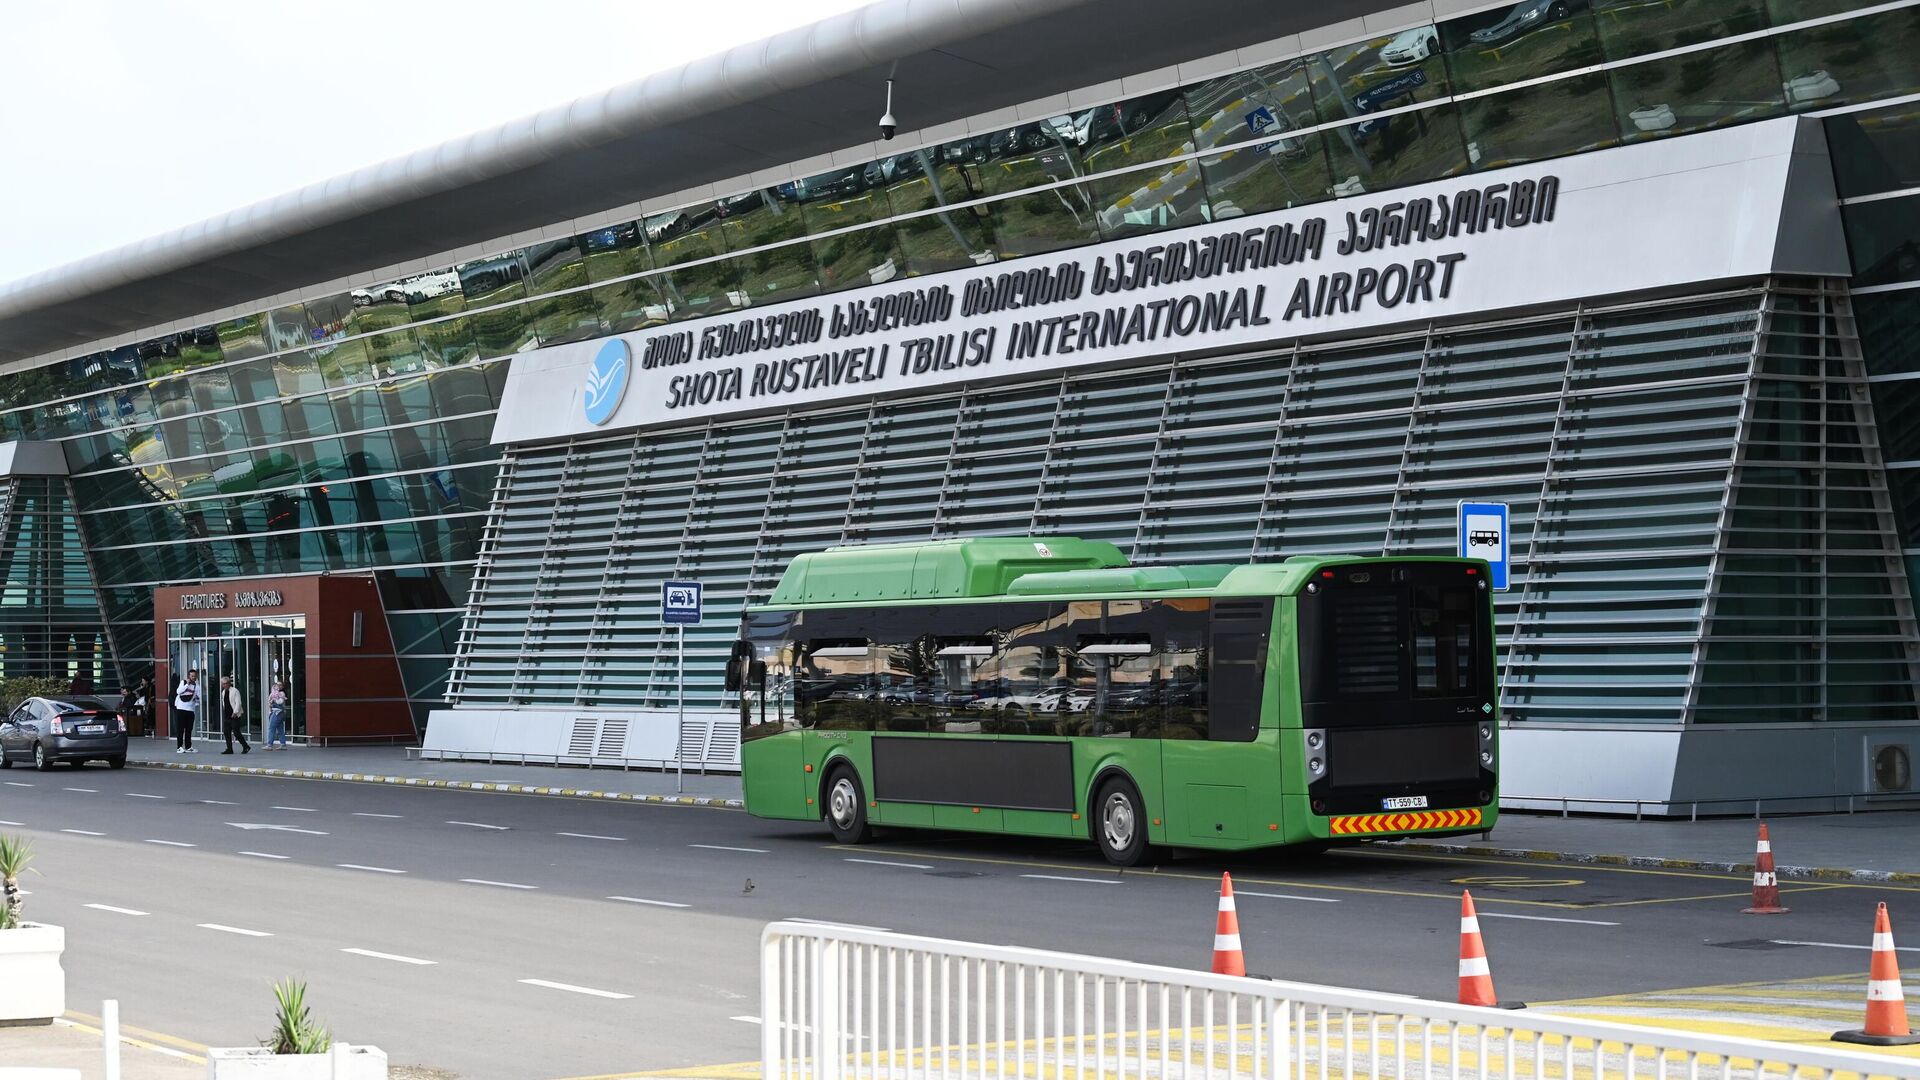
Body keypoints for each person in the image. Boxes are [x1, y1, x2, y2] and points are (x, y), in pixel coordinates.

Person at [218, 674, 250, 755]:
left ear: (229, 683)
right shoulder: (223, 692)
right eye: (223, 684)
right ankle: (229, 749)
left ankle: (245, 746)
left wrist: (235, 712)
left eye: (226, 683)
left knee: (236, 732)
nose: (224, 685)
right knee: (226, 732)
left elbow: (238, 703)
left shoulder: (235, 691)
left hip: (234, 715)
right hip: (227, 715)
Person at [172, 669, 201, 753]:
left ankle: (188, 746)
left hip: (190, 710)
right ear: (189, 676)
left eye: (195, 676)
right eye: (192, 676)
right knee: (180, 729)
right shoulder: (183, 682)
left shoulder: (197, 686)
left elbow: (198, 698)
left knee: (189, 729)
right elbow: (178, 691)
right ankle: (179, 747)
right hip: (181, 709)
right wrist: (187, 685)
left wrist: (196, 700)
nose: (193, 677)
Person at [264, 680, 290, 750]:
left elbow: (280, 702)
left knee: (271, 728)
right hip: (277, 712)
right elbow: (269, 700)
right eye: (277, 684)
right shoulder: (274, 693)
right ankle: (283, 744)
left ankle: (270, 745)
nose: (278, 686)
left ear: (282, 686)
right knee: (280, 728)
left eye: (280, 685)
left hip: (277, 712)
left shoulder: (281, 693)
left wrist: (274, 700)